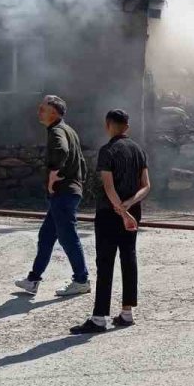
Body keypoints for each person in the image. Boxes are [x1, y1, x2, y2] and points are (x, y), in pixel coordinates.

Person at [71, 109, 151, 334]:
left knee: (105, 262)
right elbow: (146, 185)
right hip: (133, 211)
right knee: (129, 257)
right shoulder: (139, 150)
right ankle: (127, 313)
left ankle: (99, 318)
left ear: (108, 125)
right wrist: (129, 206)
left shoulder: (108, 150)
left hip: (109, 213)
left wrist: (120, 210)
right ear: (127, 126)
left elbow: (108, 186)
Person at [14, 95, 91, 297]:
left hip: (64, 193)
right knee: (46, 236)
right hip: (67, 192)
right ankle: (33, 280)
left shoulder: (57, 131)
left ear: (54, 112)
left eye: (43, 108)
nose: (39, 110)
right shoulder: (68, 130)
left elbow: (61, 151)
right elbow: (82, 163)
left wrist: (53, 175)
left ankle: (81, 280)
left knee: (68, 237)